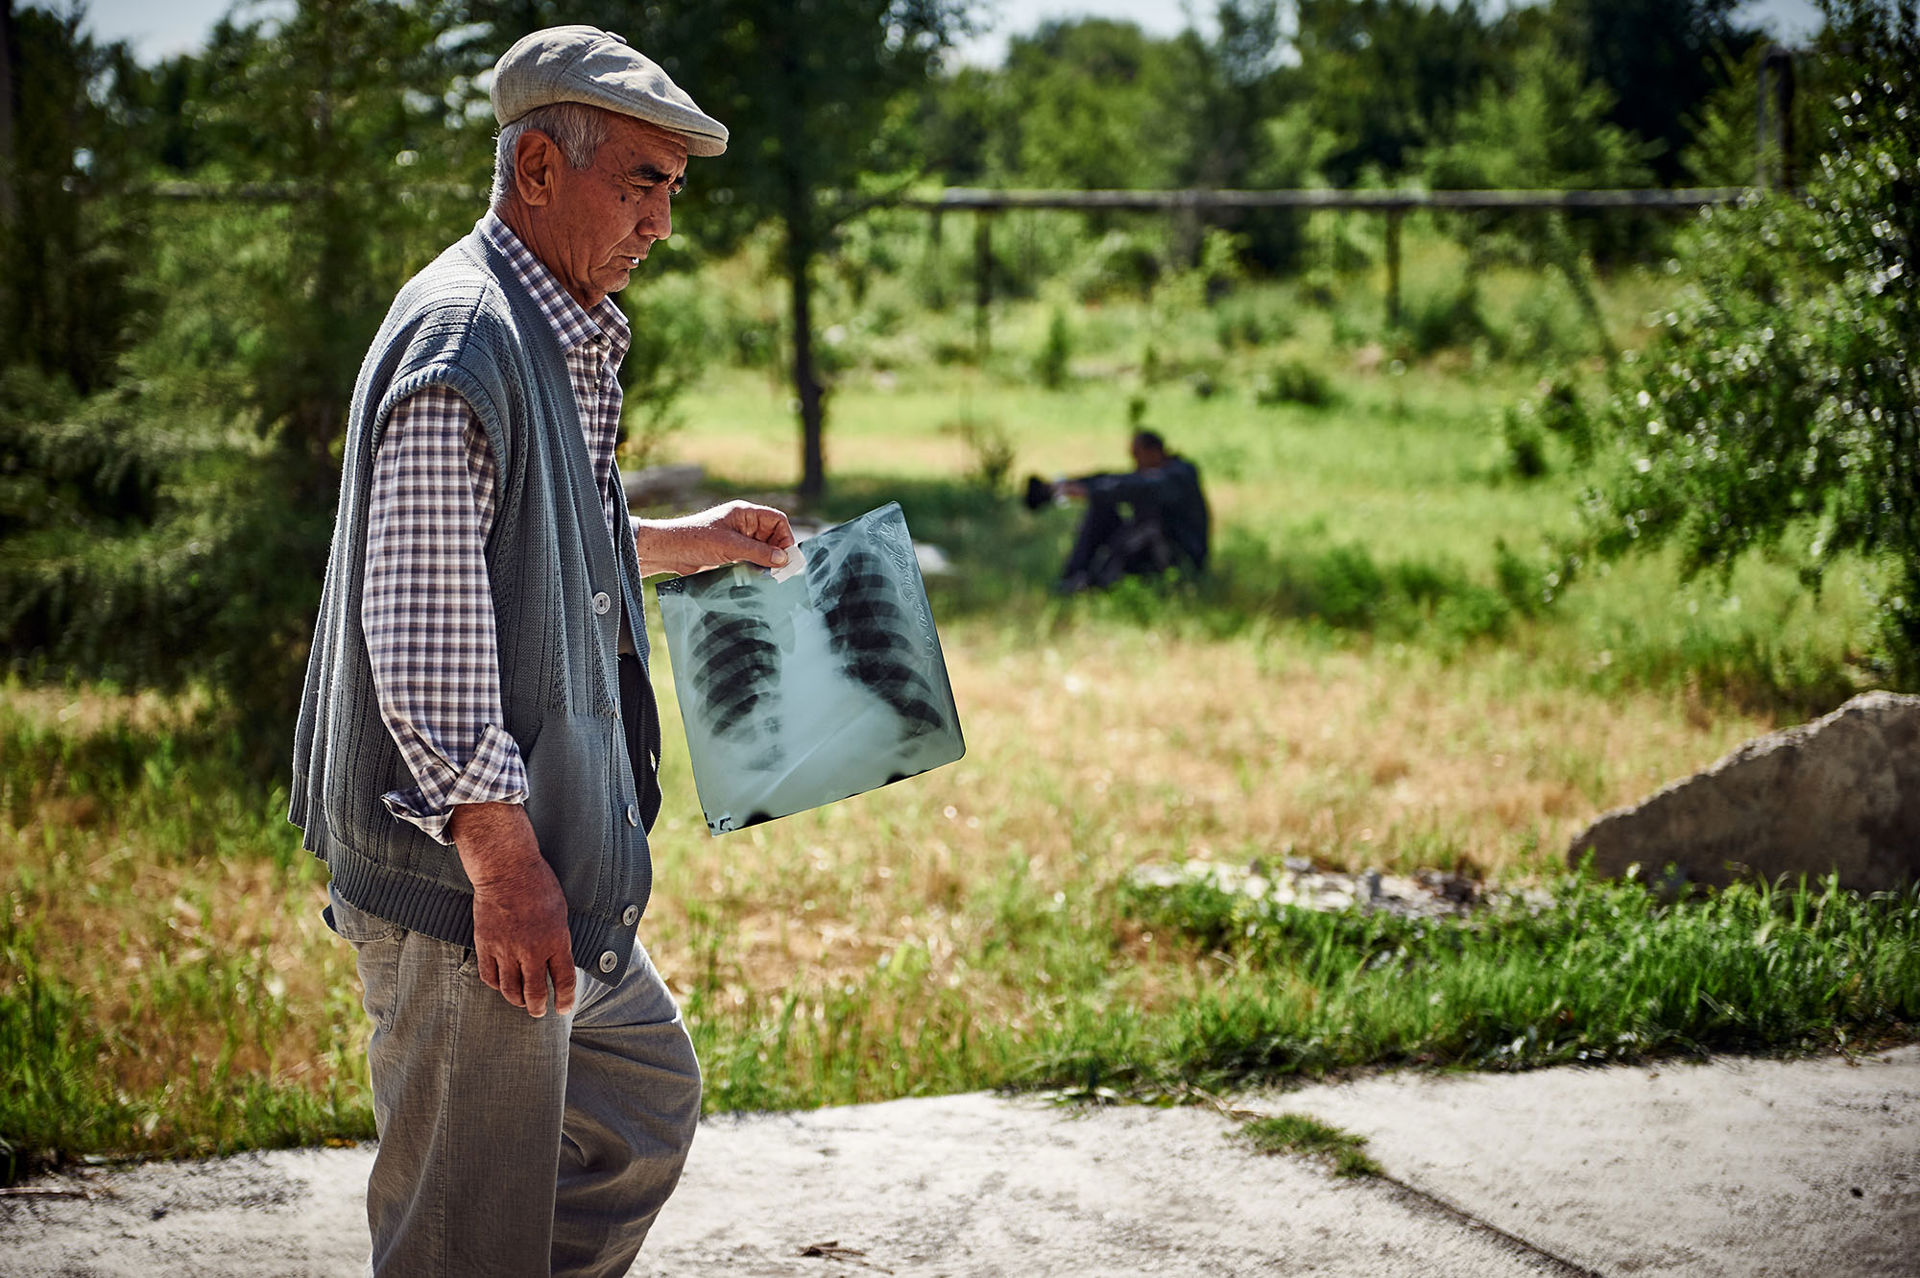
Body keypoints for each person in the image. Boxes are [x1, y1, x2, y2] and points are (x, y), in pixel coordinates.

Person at [287, 26, 794, 1277]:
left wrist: (687, 542)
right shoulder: (468, 340)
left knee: (636, 1104)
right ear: (537, 173)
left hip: (549, 865)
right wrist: (504, 864)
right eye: (642, 184)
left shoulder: (545, 321)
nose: (663, 226)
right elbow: (420, 626)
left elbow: (519, 537)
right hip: (476, 890)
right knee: (466, 1236)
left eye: (675, 191)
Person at [1035, 430, 1210, 594]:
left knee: (1140, 532)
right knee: (1103, 508)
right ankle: (1074, 577)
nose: (1134, 462)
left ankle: (1097, 583)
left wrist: (1092, 491)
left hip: (1180, 554)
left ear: (1154, 452)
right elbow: (1119, 480)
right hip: (1156, 547)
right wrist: (1069, 486)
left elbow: (1139, 486)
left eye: (1137, 455)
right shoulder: (1158, 474)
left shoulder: (1179, 475)